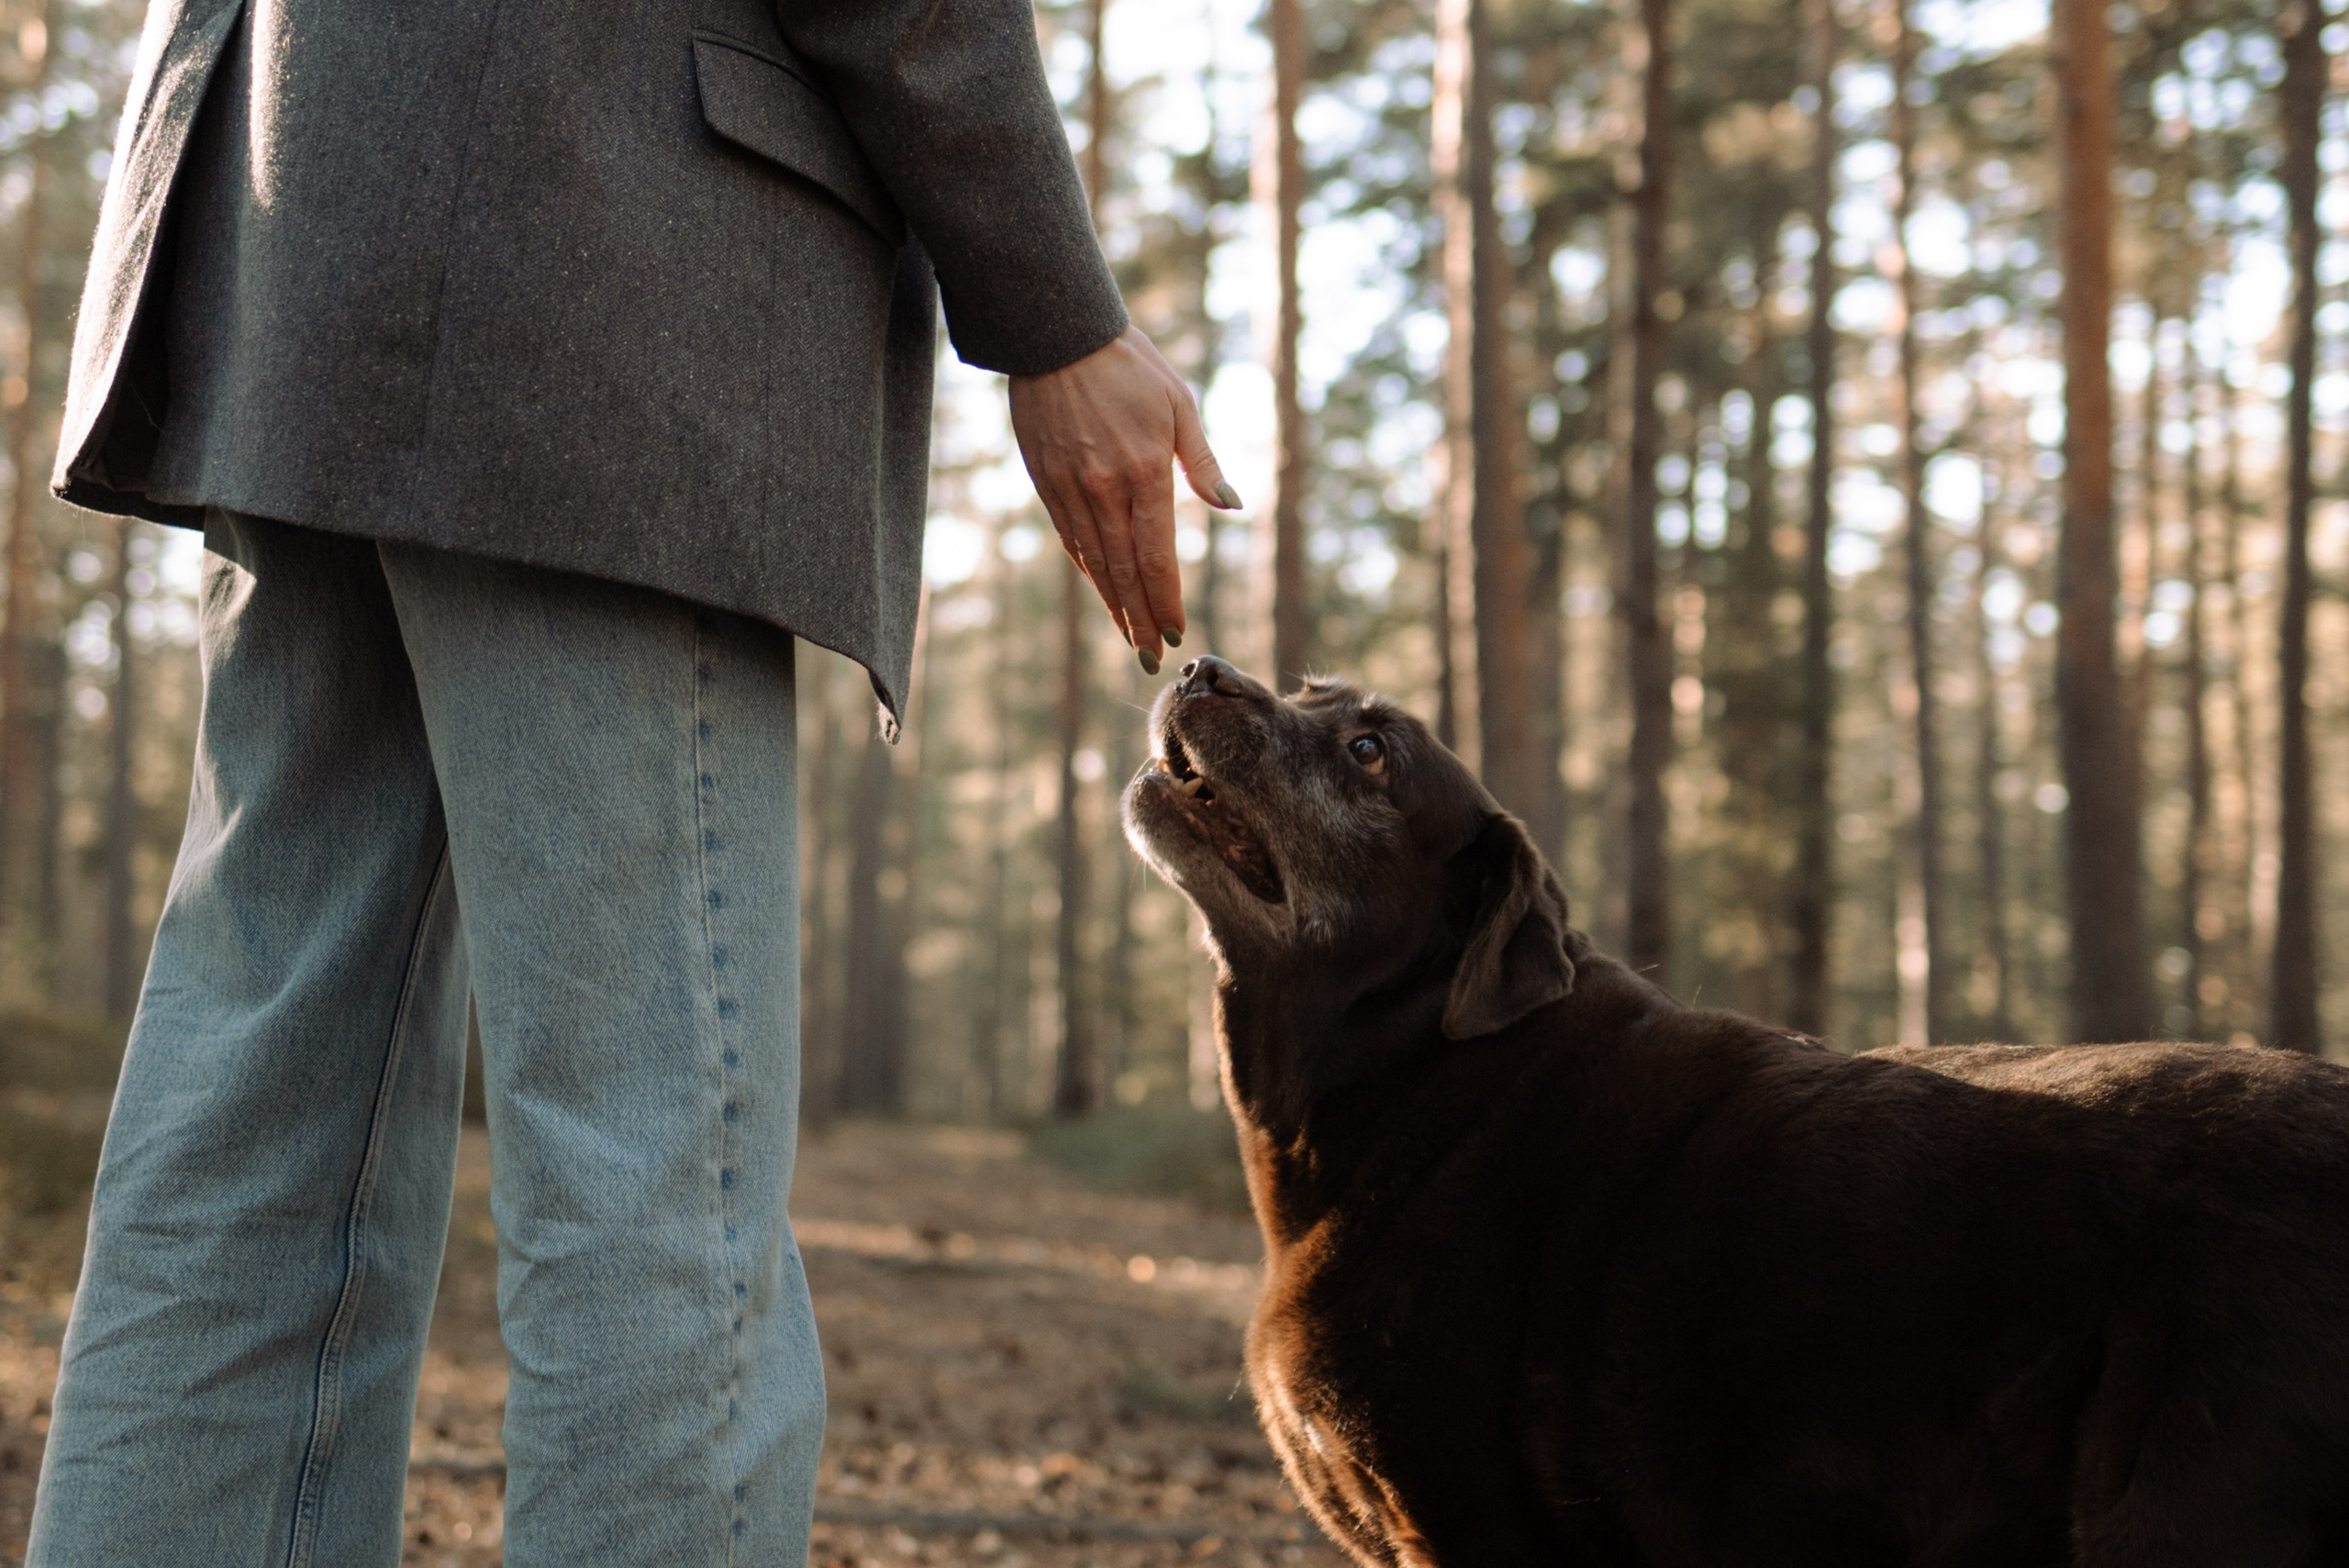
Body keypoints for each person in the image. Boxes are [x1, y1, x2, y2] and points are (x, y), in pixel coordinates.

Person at [24, 0, 1230, 1562]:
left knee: (254, 1123)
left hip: (293, 216)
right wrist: (1055, 313)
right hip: (601, 274)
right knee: (650, 1147)